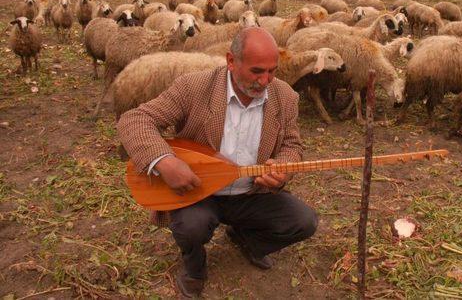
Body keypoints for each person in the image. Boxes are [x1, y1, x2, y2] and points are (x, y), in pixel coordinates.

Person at [117, 27, 318, 298]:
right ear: (231, 61)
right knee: (191, 227)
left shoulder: (285, 97)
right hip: (199, 192)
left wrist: (283, 168)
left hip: (251, 193)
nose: (265, 81)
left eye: (272, 71)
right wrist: (163, 160)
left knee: (304, 221)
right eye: (257, 71)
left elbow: (292, 145)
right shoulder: (194, 87)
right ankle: (194, 266)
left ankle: (245, 239)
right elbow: (135, 120)